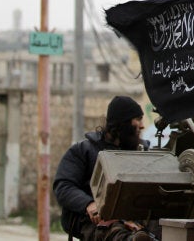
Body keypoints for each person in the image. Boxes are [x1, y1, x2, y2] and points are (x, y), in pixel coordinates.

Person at [53, 96, 154, 241]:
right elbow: (63, 185)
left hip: (135, 217)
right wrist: (88, 204)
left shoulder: (144, 153)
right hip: (94, 220)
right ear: (122, 123)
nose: (142, 125)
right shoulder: (83, 151)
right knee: (117, 235)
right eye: (137, 119)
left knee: (166, 226)